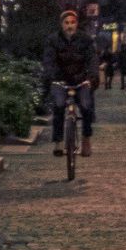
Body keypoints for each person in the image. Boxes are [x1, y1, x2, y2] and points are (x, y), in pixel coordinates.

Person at [43, 10, 97, 157]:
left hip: (81, 80)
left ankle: (86, 139)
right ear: (62, 24)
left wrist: (91, 78)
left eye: (72, 22)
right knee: (59, 106)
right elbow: (48, 61)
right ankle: (58, 142)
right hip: (60, 80)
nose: (70, 26)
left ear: (77, 23)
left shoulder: (85, 39)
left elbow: (92, 60)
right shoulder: (53, 40)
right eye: (66, 23)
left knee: (86, 108)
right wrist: (52, 77)